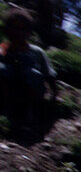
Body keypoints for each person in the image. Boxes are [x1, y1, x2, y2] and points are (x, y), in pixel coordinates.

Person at [0, 7, 58, 140]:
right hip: (8, 92)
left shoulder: (37, 52)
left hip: (31, 94)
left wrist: (54, 95)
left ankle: (28, 115)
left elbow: (49, 75)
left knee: (31, 72)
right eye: (13, 28)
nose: (17, 33)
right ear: (6, 30)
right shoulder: (2, 50)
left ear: (29, 32)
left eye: (22, 29)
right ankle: (7, 111)